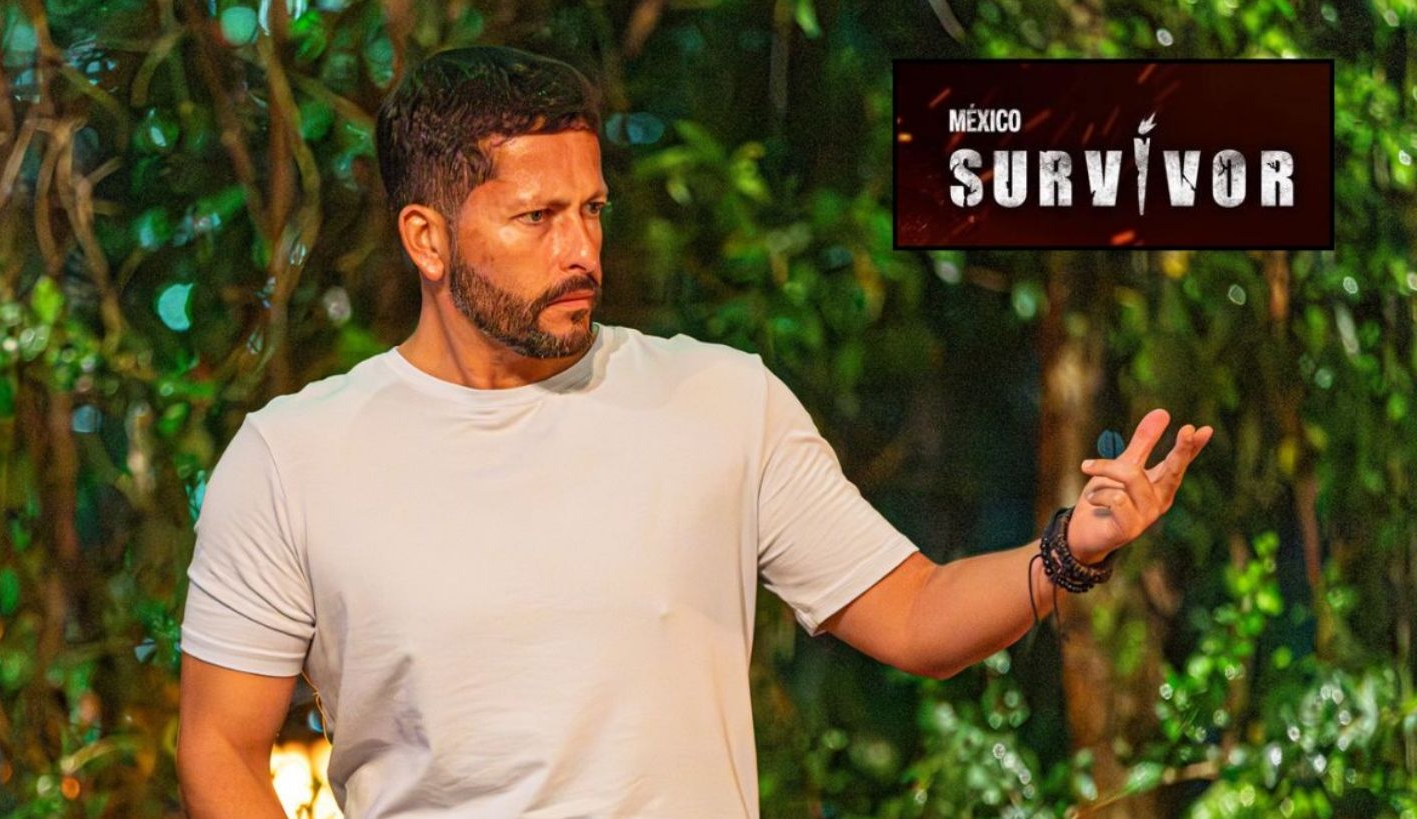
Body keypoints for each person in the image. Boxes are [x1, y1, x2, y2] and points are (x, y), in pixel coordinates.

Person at [175, 45, 1213, 818]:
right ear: (427, 239)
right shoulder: (293, 459)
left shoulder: (719, 401)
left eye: (592, 210)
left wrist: (1070, 549)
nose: (581, 250)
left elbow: (913, 613)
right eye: (537, 218)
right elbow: (220, 747)